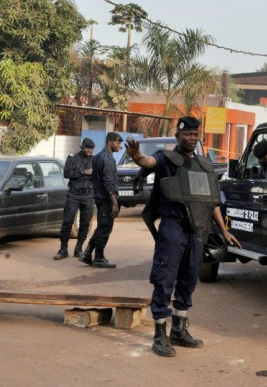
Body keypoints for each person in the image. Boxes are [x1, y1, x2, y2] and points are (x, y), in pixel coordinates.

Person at [125, 116, 241, 357]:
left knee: (189, 279)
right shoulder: (166, 159)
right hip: (173, 228)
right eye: (187, 134)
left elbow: (212, 202)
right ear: (178, 136)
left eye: (195, 134)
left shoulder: (204, 165)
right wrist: (137, 157)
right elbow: (148, 161)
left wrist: (224, 230)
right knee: (165, 278)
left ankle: (179, 330)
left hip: (196, 231)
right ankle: (159, 335)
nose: (191, 138)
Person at [80, 132, 122, 268]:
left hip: (99, 198)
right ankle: (98, 257)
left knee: (101, 227)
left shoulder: (97, 157)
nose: (119, 146)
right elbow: (108, 183)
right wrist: (114, 202)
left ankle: (88, 253)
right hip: (106, 200)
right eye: (117, 143)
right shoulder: (108, 159)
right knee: (105, 228)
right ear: (109, 142)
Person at [53, 138, 96, 260]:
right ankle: (63, 249)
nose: (89, 151)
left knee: (85, 223)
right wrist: (84, 172)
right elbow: (67, 174)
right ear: (82, 147)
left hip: (88, 195)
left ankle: (79, 249)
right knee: (67, 222)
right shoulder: (72, 158)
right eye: (87, 148)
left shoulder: (95, 160)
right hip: (74, 194)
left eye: (91, 149)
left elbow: (97, 176)